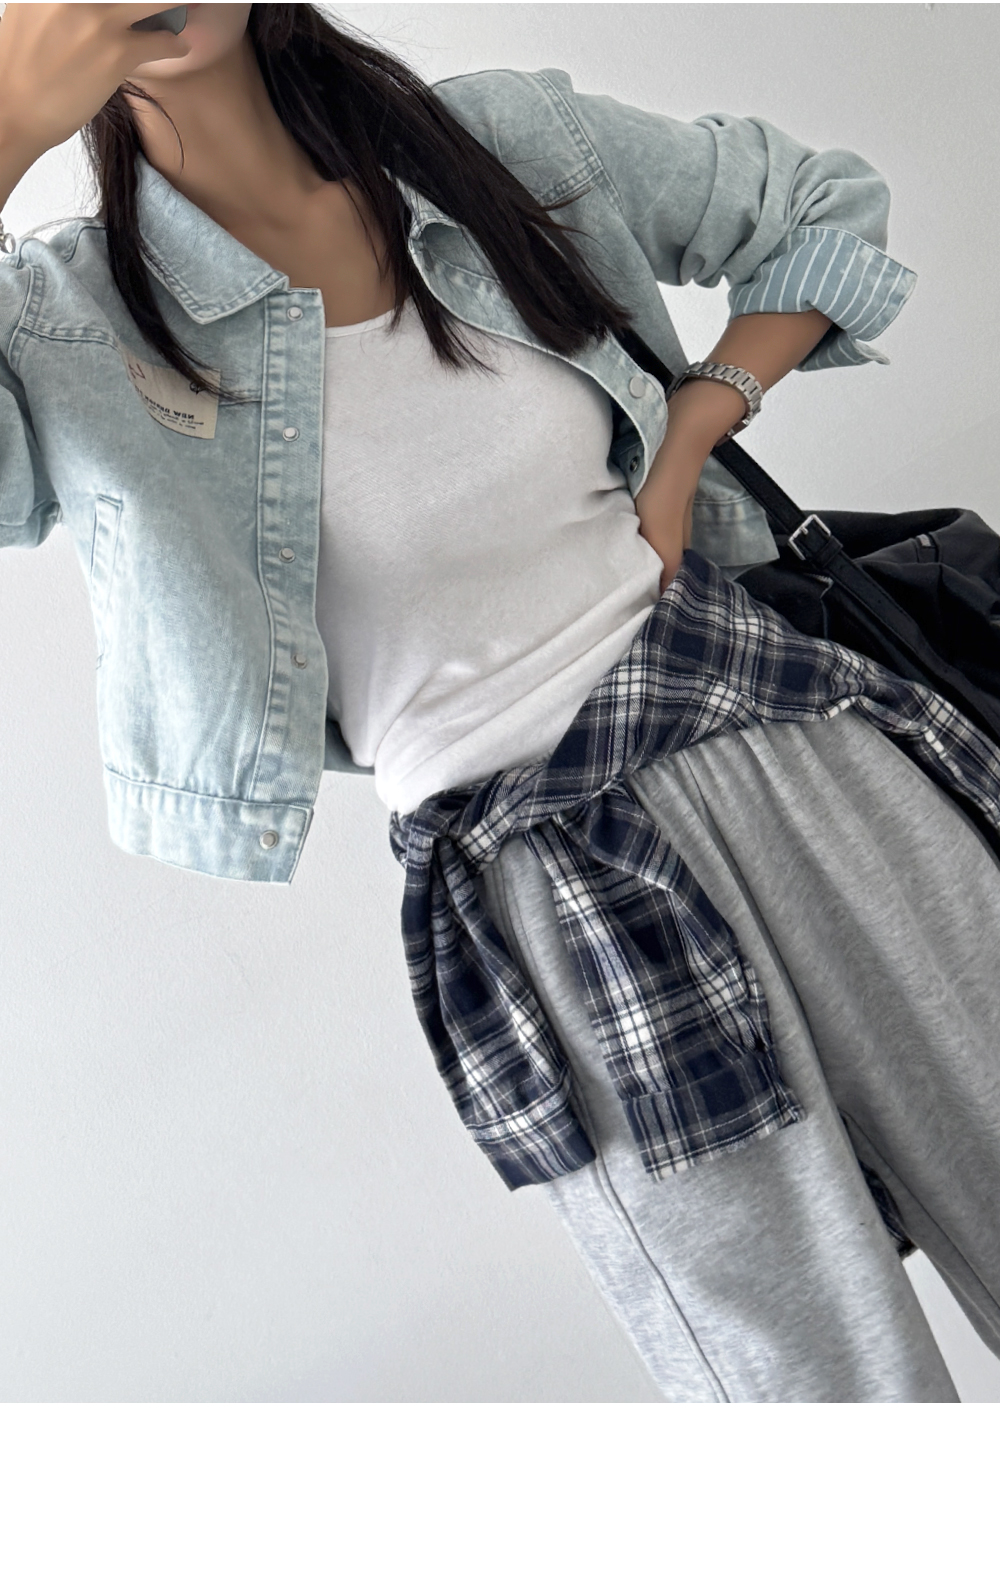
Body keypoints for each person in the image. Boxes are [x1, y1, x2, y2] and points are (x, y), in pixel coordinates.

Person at [2, 2, 999, 1405]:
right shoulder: (63, 315)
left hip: (787, 743)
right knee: (807, 1394)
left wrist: (696, 422)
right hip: (553, 889)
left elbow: (823, 204)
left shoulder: (502, 145)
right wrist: (7, 128)